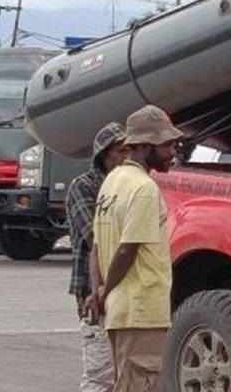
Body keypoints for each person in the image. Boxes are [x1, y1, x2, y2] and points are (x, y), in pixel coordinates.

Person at [88, 105, 182, 392]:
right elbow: (128, 248)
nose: (172, 151)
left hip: (121, 309)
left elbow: (96, 248)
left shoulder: (112, 181)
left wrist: (99, 291)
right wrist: (105, 290)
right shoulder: (143, 187)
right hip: (141, 309)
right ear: (141, 146)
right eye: (165, 144)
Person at [68, 122, 128, 392]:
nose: (125, 158)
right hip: (94, 287)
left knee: (124, 372)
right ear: (104, 154)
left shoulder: (129, 185)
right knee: (100, 374)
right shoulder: (84, 187)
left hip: (126, 286)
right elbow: (98, 237)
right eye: (120, 151)